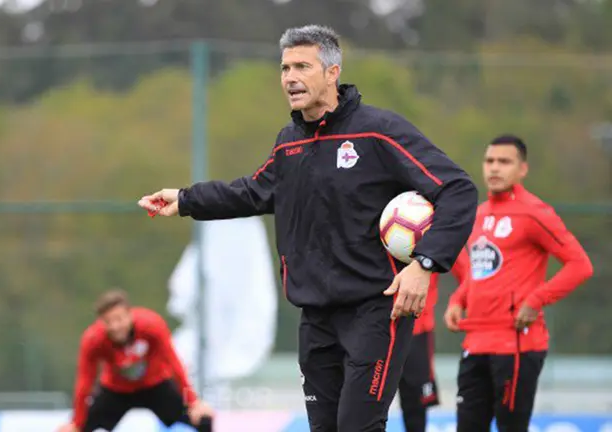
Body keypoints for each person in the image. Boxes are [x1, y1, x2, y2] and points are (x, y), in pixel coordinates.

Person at [139, 24, 478, 432]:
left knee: (357, 427)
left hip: (375, 311)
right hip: (315, 317)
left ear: (333, 73)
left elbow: (457, 189)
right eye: (284, 68)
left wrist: (424, 265)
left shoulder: (378, 131)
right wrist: (186, 199)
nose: (290, 78)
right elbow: (252, 191)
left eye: (302, 66)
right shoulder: (289, 143)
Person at [443, 134, 594, 432]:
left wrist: (537, 300)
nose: (495, 168)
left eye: (504, 162)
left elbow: (580, 265)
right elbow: (480, 273)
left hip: (517, 345)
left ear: (522, 169)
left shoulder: (534, 213)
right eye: (490, 161)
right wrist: (457, 301)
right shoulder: (478, 215)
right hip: (474, 343)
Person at [57, 290, 213, 432]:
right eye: (108, 321)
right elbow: (84, 382)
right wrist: (77, 422)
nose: (115, 326)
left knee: (203, 419)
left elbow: (174, 364)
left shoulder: (151, 325)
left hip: (155, 385)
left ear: (129, 315)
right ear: (101, 322)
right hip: (116, 390)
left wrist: (193, 402)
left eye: (119, 319)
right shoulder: (93, 340)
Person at [398, 265, 465, 432]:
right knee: (367, 402)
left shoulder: (433, 239)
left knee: (415, 406)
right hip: (373, 331)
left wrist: (457, 301)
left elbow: (470, 271)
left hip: (417, 330)